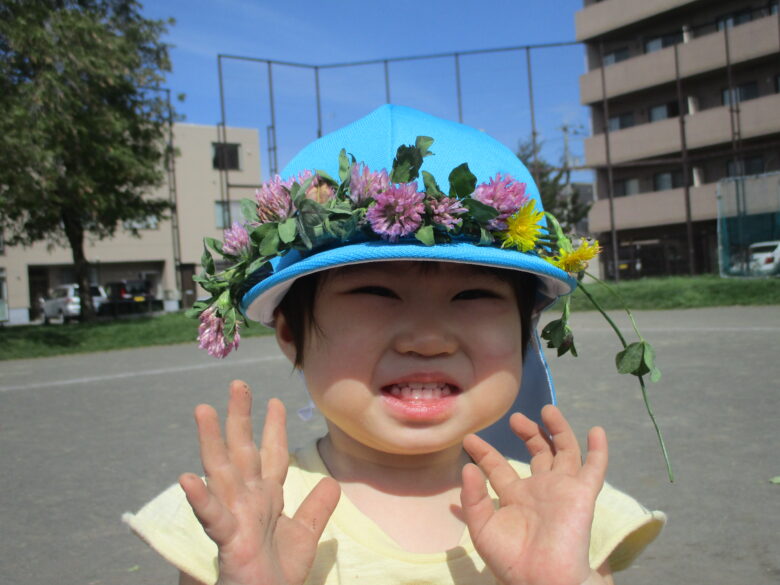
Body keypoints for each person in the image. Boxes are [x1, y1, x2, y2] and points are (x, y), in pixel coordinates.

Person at [124, 105, 664, 585]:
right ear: (290, 333)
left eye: (473, 294)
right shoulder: (240, 514)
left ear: (525, 329)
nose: (428, 339)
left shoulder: (565, 510)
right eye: (376, 292)